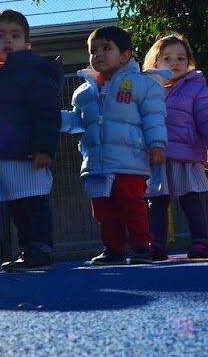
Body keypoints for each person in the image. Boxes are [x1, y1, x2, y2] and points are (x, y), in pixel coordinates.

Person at [61, 26, 168, 265]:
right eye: (93, 50)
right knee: (103, 210)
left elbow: (153, 116)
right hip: (97, 164)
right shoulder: (84, 92)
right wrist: (55, 119)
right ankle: (113, 249)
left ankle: (141, 246)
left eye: (105, 48)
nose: (98, 54)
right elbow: (79, 122)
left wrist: (157, 144)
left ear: (125, 55)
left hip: (130, 163)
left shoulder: (142, 84)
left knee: (132, 205)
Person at [0, 9, 61, 272]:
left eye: (15, 36)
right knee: (17, 206)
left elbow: (45, 111)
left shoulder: (33, 72)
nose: (8, 41)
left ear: (27, 45)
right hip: (5, 155)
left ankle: (41, 249)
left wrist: (43, 147)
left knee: (34, 202)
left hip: (28, 153)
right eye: (1, 36)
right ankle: (27, 249)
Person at [142, 34, 208, 260]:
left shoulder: (195, 88)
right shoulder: (146, 90)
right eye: (167, 58)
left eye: (181, 58)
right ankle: (157, 244)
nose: (175, 63)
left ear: (189, 62)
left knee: (190, 199)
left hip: (185, 155)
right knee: (156, 202)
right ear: (154, 63)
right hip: (156, 156)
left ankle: (200, 241)